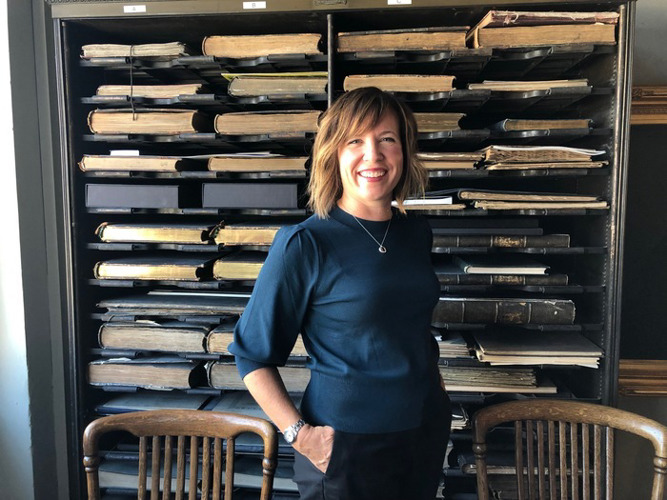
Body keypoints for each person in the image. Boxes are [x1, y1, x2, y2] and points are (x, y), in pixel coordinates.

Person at [229, 87, 452, 500]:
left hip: (423, 431)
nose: (373, 155)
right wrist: (300, 436)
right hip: (346, 447)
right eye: (355, 141)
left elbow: (407, 324)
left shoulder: (415, 233)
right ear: (333, 153)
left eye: (387, 139)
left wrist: (435, 392)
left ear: (404, 151)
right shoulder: (305, 243)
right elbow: (251, 356)